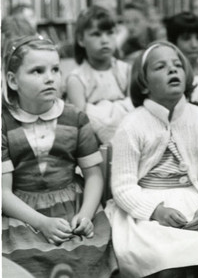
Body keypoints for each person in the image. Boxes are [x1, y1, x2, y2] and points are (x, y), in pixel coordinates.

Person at [105, 41, 198, 278]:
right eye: (160, 66)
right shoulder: (131, 125)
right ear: (144, 84)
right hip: (147, 211)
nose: (172, 70)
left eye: (177, 65)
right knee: (166, 267)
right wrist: (156, 211)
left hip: (197, 201)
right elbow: (122, 187)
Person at [1, 35, 117, 278]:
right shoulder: (4, 123)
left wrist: (86, 214)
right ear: (13, 80)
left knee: (87, 254)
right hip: (23, 212)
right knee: (24, 259)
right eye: (37, 71)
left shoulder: (75, 118)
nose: (50, 77)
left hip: (73, 205)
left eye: (55, 69)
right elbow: (3, 193)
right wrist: (42, 222)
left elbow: (94, 175)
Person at [66, 5, 132, 144]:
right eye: (96, 34)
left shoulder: (126, 71)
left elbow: (135, 112)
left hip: (128, 139)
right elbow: (82, 127)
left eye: (110, 33)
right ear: (81, 40)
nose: (104, 40)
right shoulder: (77, 79)